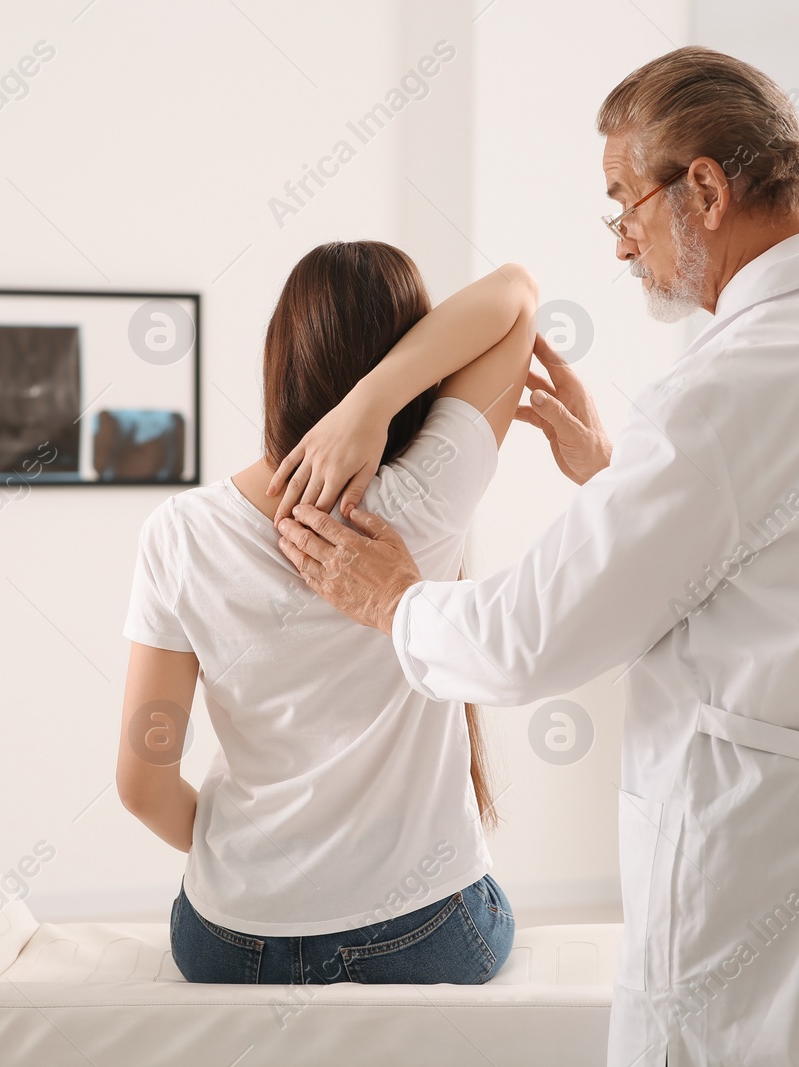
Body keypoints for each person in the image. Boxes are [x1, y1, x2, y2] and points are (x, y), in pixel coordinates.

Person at [274, 48, 799, 1066]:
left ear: (703, 187)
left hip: (757, 884)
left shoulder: (737, 383)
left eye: (623, 205)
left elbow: (525, 640)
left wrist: (394, 596)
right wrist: (613, 475)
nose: (620, 246)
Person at [118, 240, 538, 986]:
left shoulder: (180, 532)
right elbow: (514, 294)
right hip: (423, 931)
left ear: (280, 357)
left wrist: (257, 867)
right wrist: (372, 405)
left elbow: (142, 783)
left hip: (231, 941)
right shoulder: (430, 494)